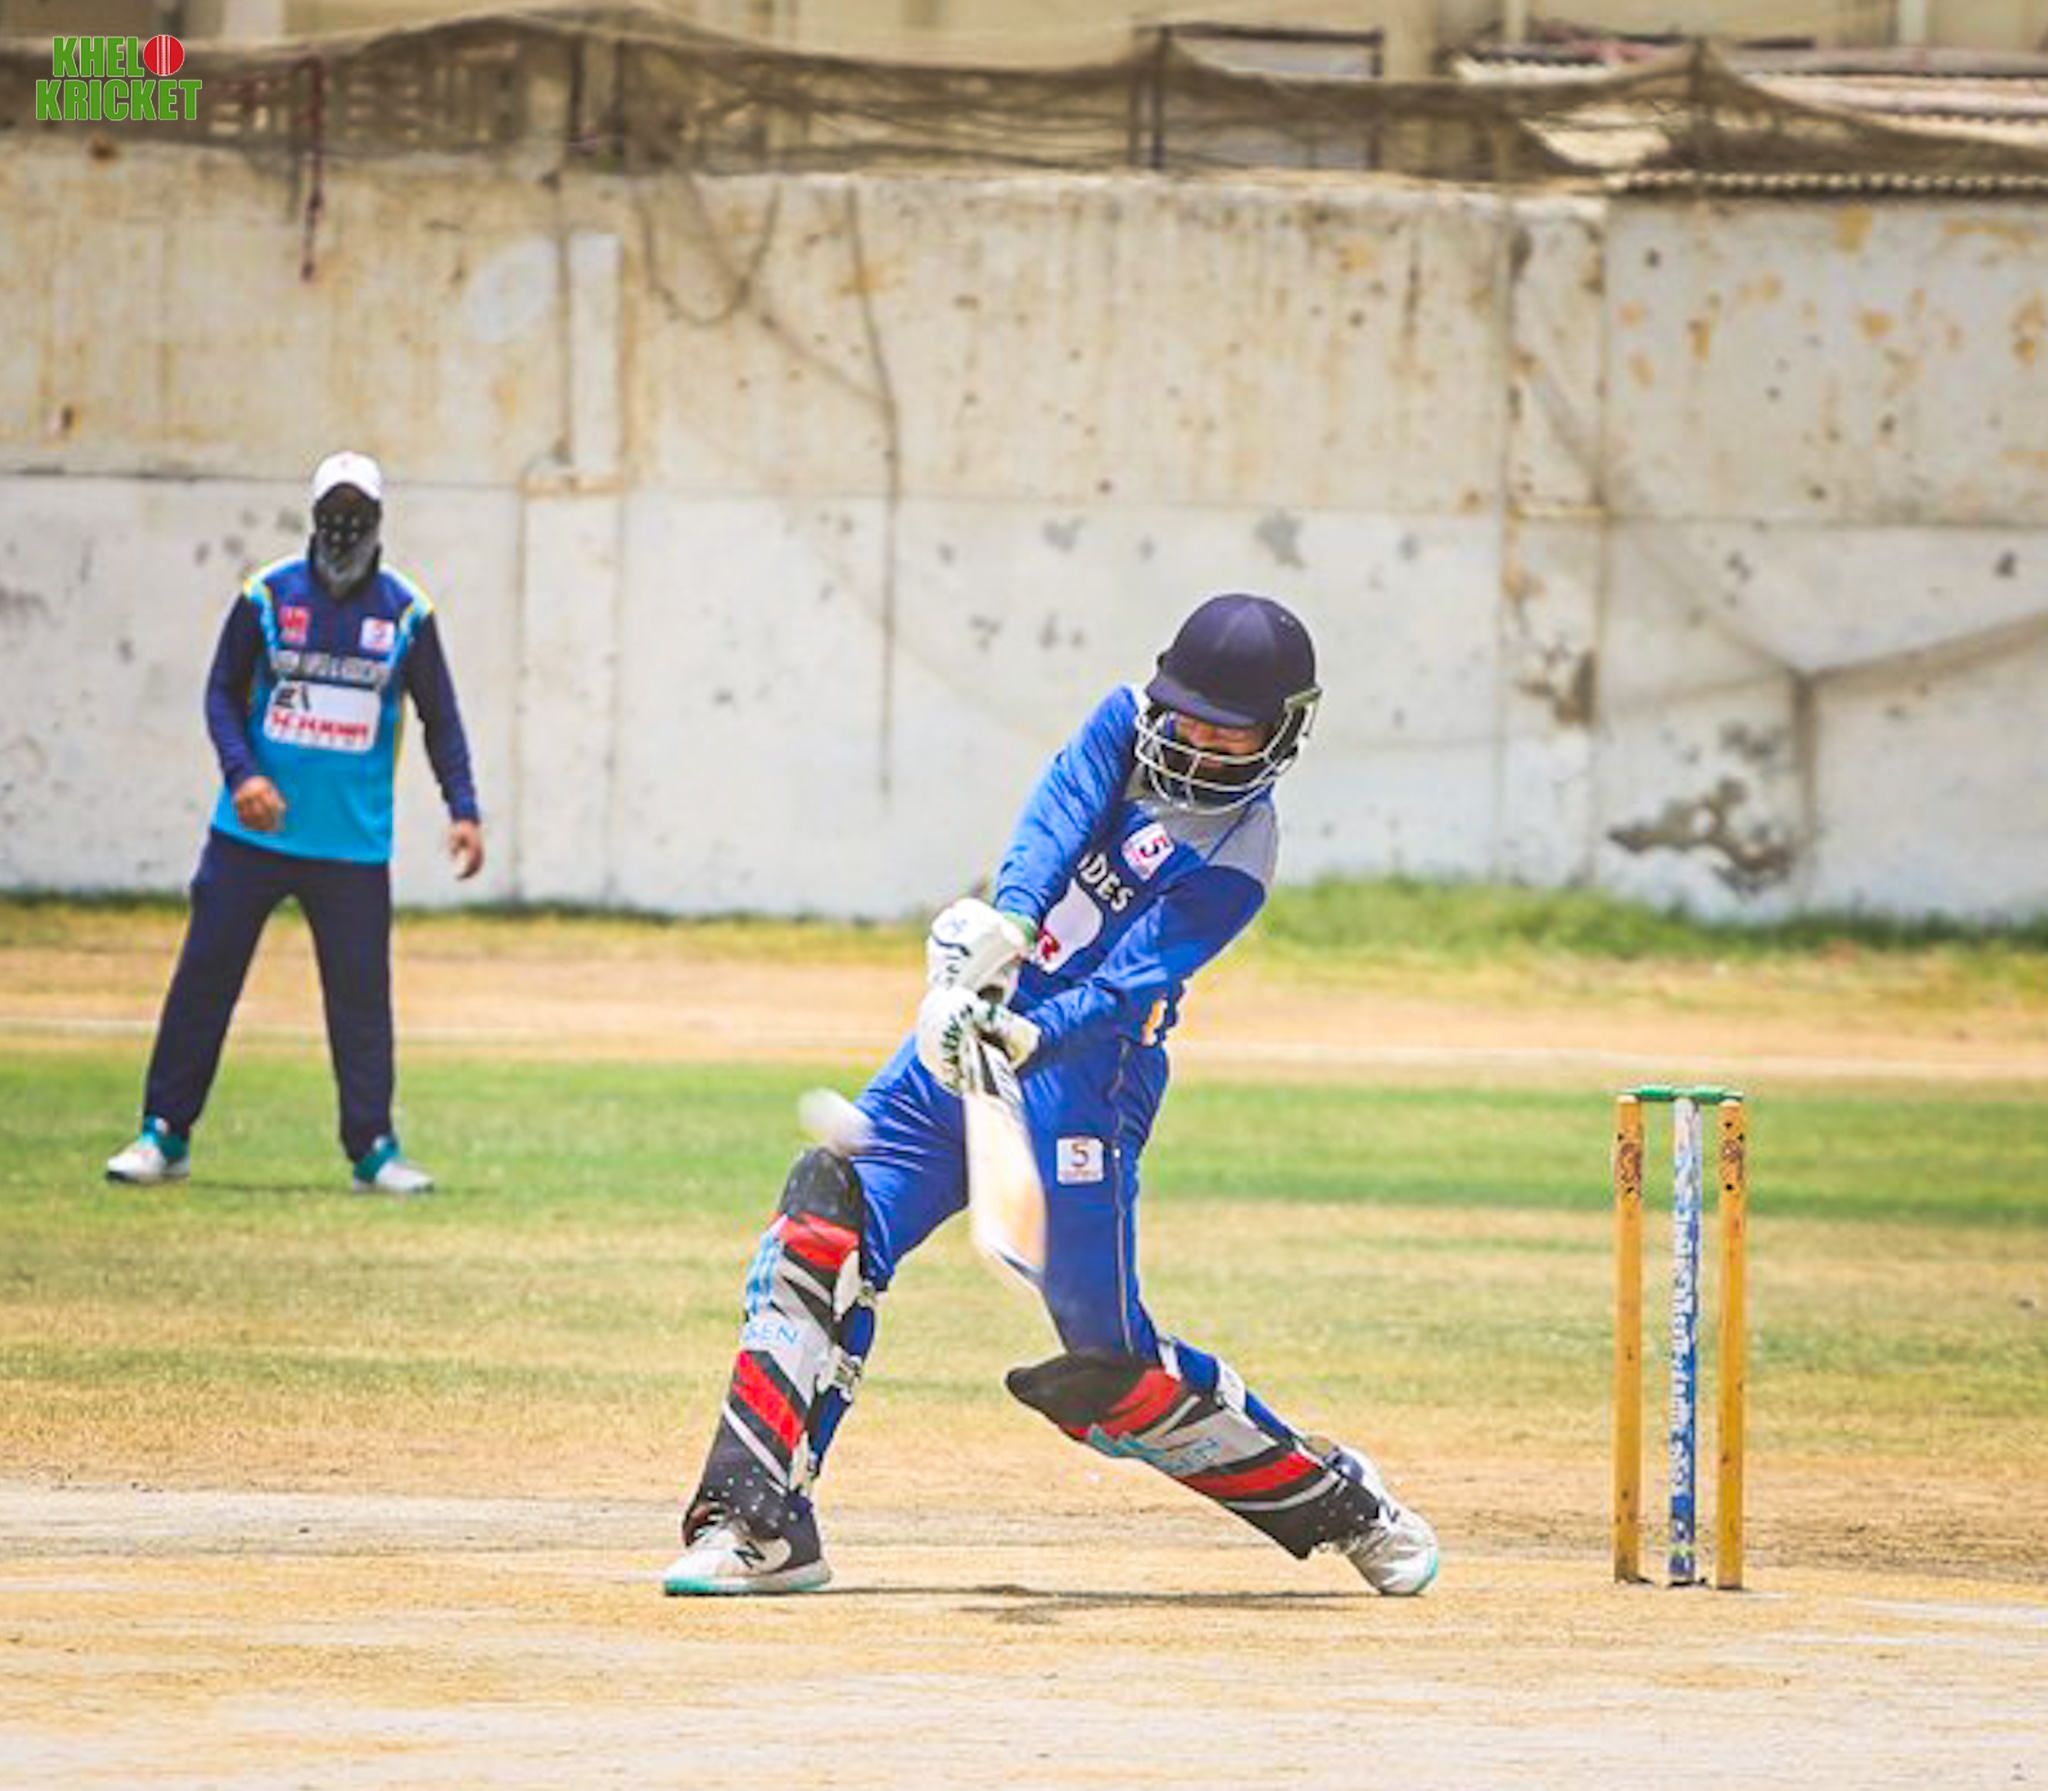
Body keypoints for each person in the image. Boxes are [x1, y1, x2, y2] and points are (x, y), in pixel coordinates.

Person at [663, 592, 1438, 1597]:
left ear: (1279, 733)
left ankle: (1344, 1505)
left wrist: (1035, 1031)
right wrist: (1007, 933)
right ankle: (759, 1526)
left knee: (1111, 1370)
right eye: (1188, 718)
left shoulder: (1240, 854)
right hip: (967, 1040)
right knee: (822, 1231)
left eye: (1228, 730)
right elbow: (1056, 814)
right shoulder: (1122, 721)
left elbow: (1134, 980)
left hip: (1087, 1083)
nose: (1198, 744)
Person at [104, 451, 484, 1196]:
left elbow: (441, 718)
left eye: (358, 515)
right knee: (204, 981)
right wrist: (242, 774)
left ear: (379, 522)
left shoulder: (406, 612)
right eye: (332, 513)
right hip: (250, 838)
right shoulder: (267, 596)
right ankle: (164, 1134)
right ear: (313, 517)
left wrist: (463, 808)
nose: (344, 529)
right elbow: (221, 692)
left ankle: (372, 1149)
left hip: (351, 846)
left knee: (360, 1000)